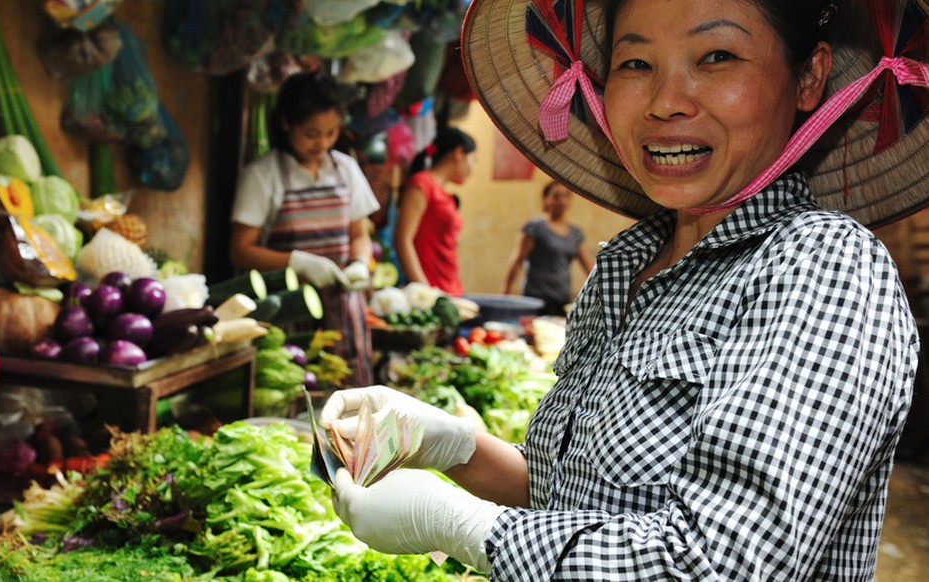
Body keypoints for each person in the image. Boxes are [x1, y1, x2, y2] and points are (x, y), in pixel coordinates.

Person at [322, 0, 927, 579]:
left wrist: (462, 526)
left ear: (808, 77)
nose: (665, 102)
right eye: (635, 63)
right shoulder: (625, 263)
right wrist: (452, 445)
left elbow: (723, 565)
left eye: (717, 56)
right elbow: (573, 493)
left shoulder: (823, 266)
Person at [229, 71, 380, 386]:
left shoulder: (346, 169)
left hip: (344, 308)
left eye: (330, 132)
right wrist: (298, 262)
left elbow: (359, 234)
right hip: (287, 310)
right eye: (311, 133)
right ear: (286, 123)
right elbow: (240, 250)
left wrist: (359, 264)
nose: (322, 143)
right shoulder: (263, 175)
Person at [393, 126, 477, 296]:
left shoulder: (444, 193)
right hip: (431, 292)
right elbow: (402, 240)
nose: (472, 169)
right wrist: (425, 292)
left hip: (450, 290)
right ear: (459, 153)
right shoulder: (422, 184)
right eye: (473, 159)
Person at [502, 181, 595, 315]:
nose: (561, 201)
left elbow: (589, 268)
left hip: (562, 300)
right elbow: (517, 261)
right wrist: (505, 295)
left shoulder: (575, 234)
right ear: (545, 199)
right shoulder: (535, 228)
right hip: (535, 299)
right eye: (556, 196)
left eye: (565, 196)